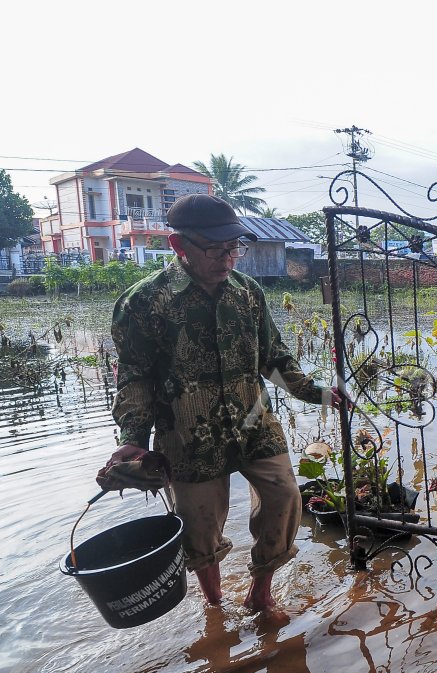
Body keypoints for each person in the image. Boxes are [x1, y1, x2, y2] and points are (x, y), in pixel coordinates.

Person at [103, 193, 341, 616]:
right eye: (215, 249)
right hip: (187, 431)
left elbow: (274, 358)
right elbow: (134, 375)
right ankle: (216, 607)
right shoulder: (146, 302)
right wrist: (133, 439)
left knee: (285, 496)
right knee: (200, 527)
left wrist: (317, 392)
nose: (228, 258)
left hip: (253, 420)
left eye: (234, 248)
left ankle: (260, 592)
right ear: (179, 246)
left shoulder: (248, 294)